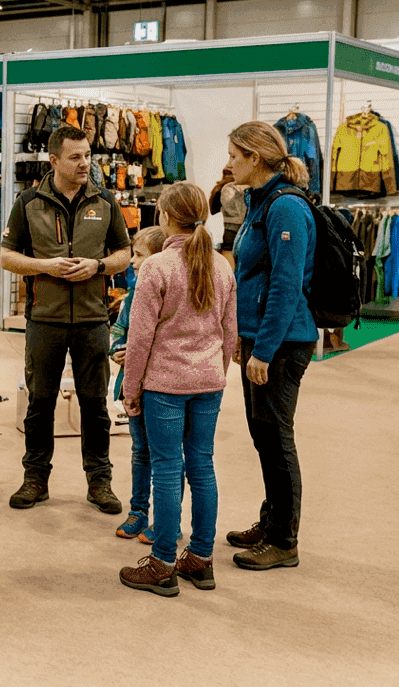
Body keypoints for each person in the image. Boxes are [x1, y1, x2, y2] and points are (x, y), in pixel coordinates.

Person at [0, 125, 132, 513]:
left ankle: (100, 482)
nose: (84, 164)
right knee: (40, 403)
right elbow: (7, 257)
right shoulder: (27, 202)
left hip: (93, 320)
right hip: (45, 319)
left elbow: (125, 252)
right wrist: (47, 266)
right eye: (75, 157)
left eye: (88, 155)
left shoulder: (105, 201)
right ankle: (35, 480)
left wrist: (99, 265)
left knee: (95, 406)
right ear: (54, 160)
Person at [118, 182, 237, 597]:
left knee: (167, 469)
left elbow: (140, 338)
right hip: (209, 383)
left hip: (165, 385)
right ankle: (201, 560)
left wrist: (131, 388)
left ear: (166, 217)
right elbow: (229, 332)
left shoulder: (157, 267)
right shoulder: (222, 265)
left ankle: (163, 563)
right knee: (201, 466)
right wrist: (214, 373)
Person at [225, 120, 317, 571]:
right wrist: (247, 339)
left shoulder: (285, 208)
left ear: (255, 158)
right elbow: (252, 278)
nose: (228, 164)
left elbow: (284, 285)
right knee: (263, 435)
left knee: (277, 438)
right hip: (262, 338)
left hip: (284, 342)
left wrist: (263, 349)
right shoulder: (259, 202)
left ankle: (285, 539)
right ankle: (271, 518)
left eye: (233, 155)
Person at [109, 225, 166, 541]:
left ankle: (164, 517)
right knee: (139, 452)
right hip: (133, 388)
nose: (131, 261)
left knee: (166, 459)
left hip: (161, 389)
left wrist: (136, 351)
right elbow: (118, 331)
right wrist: (118, 349)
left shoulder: (169, 294)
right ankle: (137, 511)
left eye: (139, 255)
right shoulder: (130, 299)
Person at [208, 163, 248, 270]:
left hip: (228, 236)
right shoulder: (243, 189)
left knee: (229, 275)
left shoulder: (220, 189)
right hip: (244, 233)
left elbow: (213, 210)